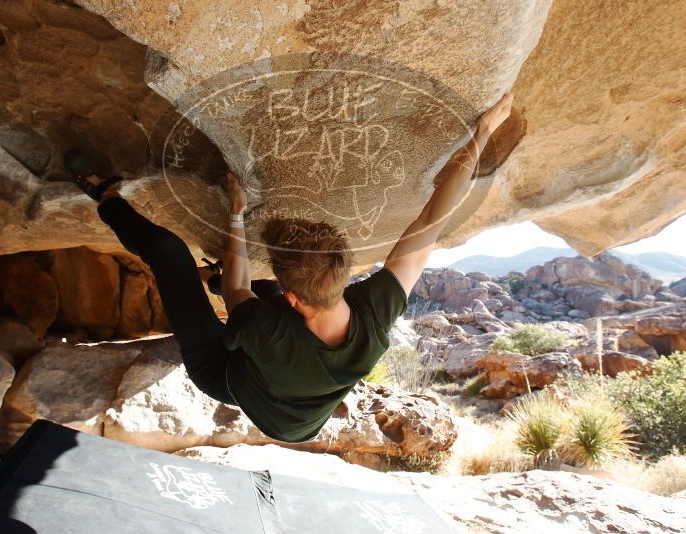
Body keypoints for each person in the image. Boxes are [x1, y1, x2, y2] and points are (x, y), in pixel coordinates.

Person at [67, 93, 514, 443]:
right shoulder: (373, 313)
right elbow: (434, 217)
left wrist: (237, 215)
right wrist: (483, 132)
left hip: (227, 378)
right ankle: (216, 280)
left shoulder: (266, 328)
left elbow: (242, 286)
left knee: (169, 255)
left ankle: (104, 195)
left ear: (296, 298)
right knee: (252, 287)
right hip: (303, 408)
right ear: (342, 275)